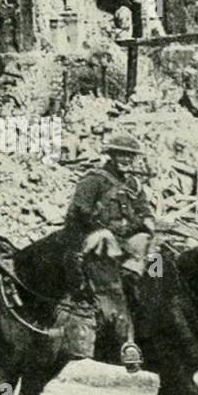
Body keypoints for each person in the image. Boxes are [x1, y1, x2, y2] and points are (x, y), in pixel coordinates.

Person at [64, 132, 153, 369]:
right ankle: (127, 343)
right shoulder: (94, 180)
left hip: (127, 243)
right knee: (112, 284)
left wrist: (148, 224)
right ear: (111, 156)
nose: (126, 159)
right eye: (121, 155)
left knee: (158, 260)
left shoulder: (134, 184)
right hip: (97, 240)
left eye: (130, 156)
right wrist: (99, 231)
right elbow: (77, 213)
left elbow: (145, 212)